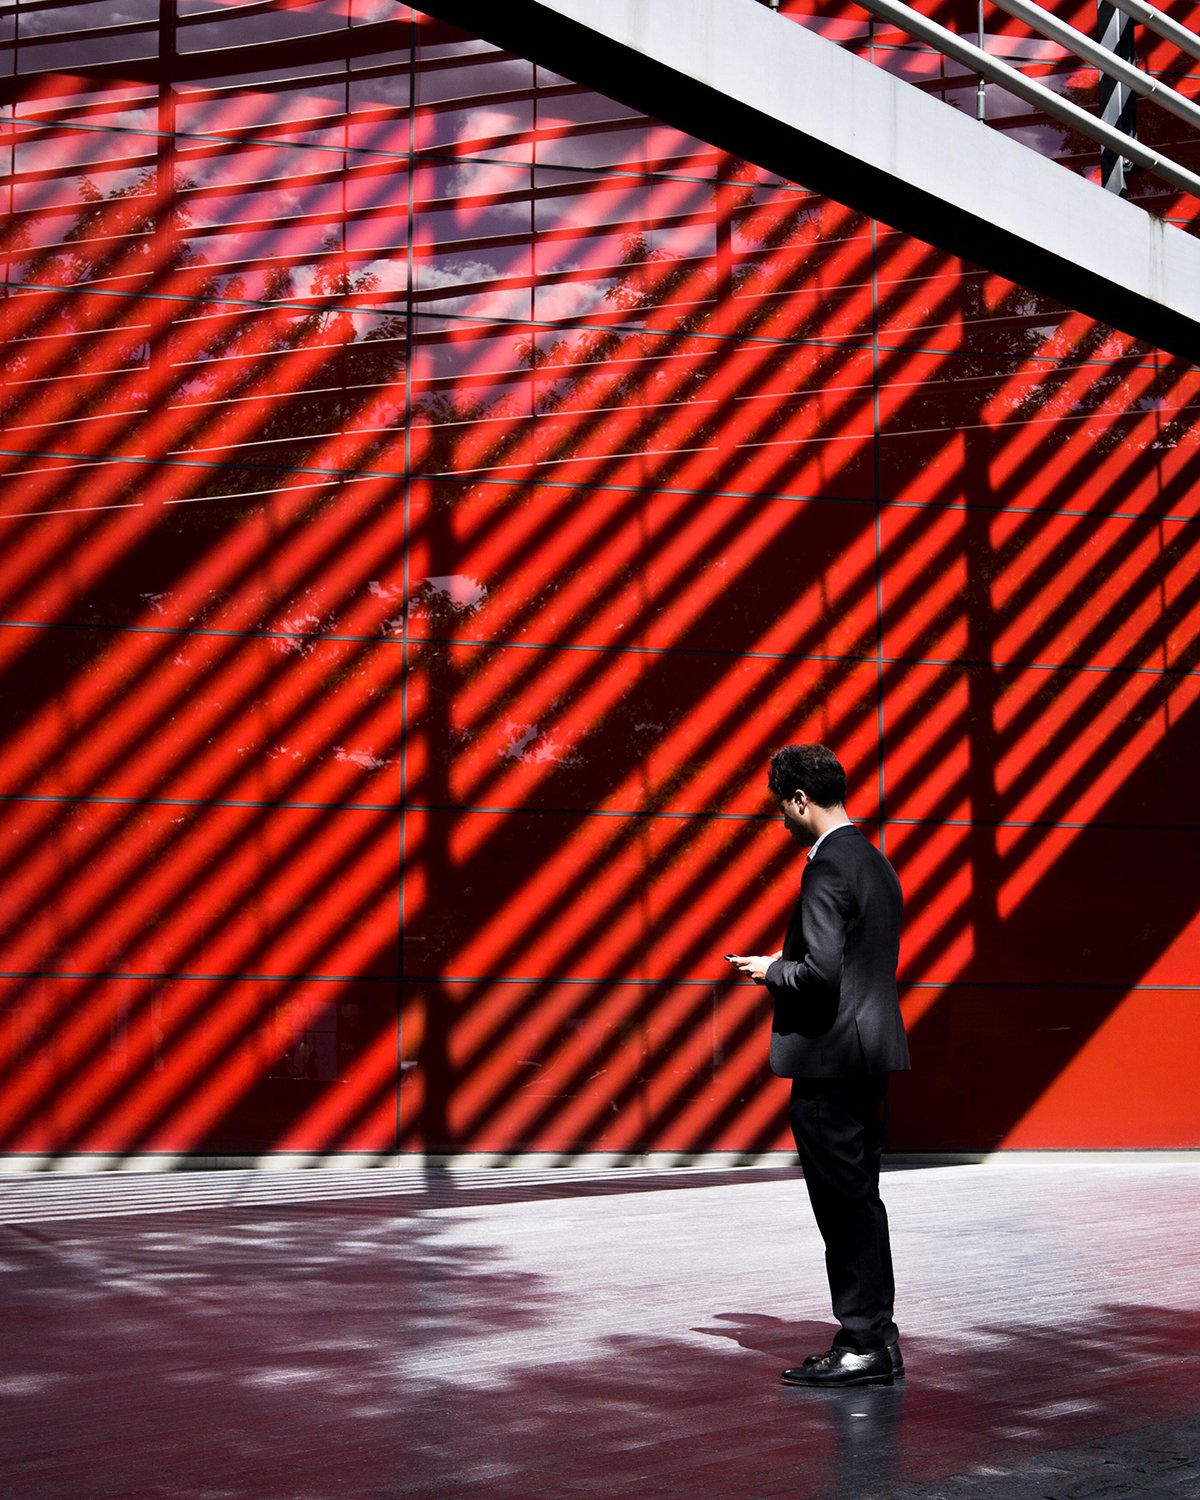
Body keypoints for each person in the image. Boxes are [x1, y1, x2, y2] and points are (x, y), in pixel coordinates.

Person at [726, 743, 910, 1388]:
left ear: (800, 799)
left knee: (842, 1205)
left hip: (831, 1061)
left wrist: (768, 969)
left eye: (782, 808)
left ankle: (862, 1341)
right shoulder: (874, 862)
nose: (781, 821)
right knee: (861, 1199)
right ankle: (877, 1338)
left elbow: (820, 973)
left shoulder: (827, 867)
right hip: (869, 1054)